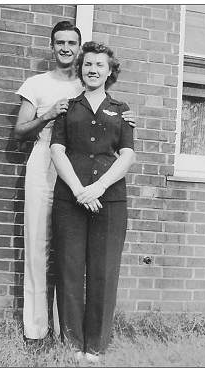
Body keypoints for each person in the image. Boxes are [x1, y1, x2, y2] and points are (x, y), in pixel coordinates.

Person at [14, 21, 135, 340]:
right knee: (39, 244)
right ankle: (37, 329)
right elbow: (19, 131)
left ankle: (65, 331)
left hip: (80, 170)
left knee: (70, 253)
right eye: (59, 42)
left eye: (72, 43)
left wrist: (127, 121)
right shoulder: (37, 83)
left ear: (80, 49)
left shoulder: (88, 82)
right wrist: (48, 114)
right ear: (52, 46)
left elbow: (109, 121)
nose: (65, 48)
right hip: (45, 161)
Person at [50, 41, 136, 361]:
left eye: (100, 65)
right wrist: (78, 189)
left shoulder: (122, 110)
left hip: (109, 200)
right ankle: (72, 345)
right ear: (80, 68)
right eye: (88, 64)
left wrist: (98, 186)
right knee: (70, 269)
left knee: (104, 271)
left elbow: (127, 154)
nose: (93, 69)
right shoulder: (67, 107)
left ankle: (95, 348)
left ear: (110, 71)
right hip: (69, 199)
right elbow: (57, 150)